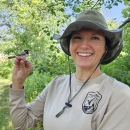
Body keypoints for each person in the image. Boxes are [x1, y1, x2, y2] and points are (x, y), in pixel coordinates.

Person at [9, 9, 130, 130]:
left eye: (95, 38)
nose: (84, 45)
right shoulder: (56, 84)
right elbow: (21, 124)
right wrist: (17, 83)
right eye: (77, 37)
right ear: (70, 45)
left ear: (105, 48)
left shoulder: (119, 95)